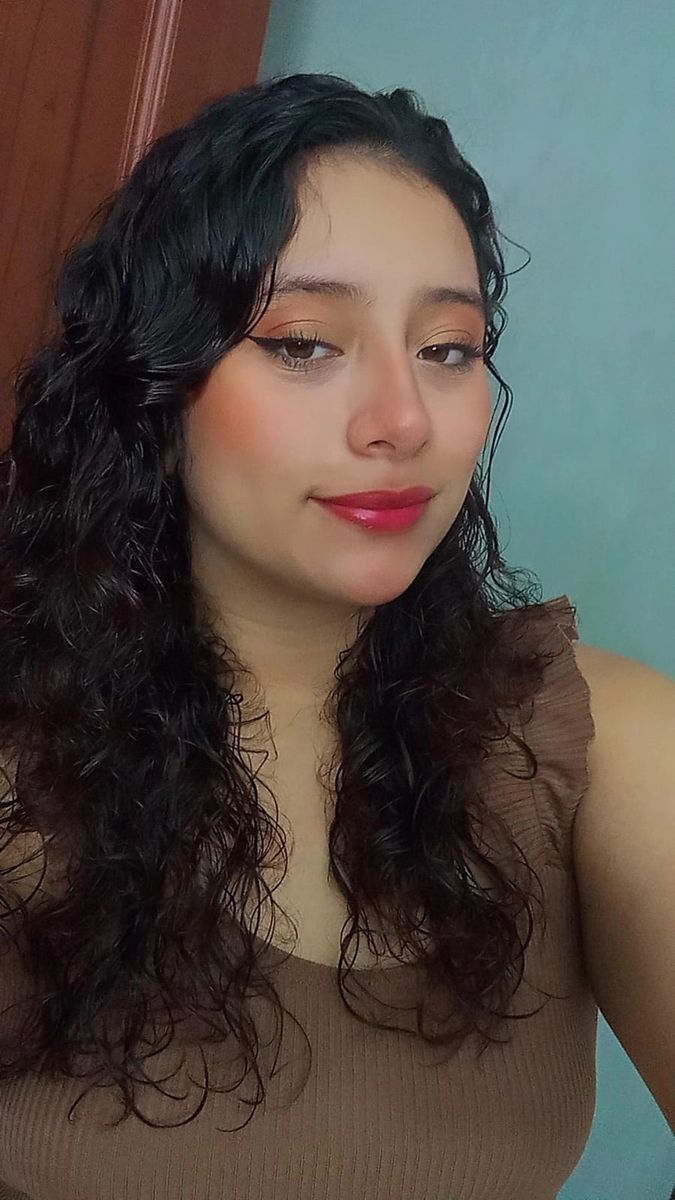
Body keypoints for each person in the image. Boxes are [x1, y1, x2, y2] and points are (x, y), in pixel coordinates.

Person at [0, 72, 671, 1200]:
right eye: (306, 342)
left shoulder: (609, 747)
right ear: (152, 384)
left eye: (448, 349)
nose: (403, 421)